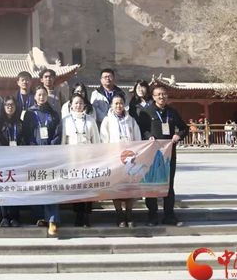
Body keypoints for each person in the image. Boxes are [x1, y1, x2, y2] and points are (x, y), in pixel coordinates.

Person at [143, 84, 189, 227]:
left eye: (164, 94)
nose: (161, 97)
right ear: (153, 96)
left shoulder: (172, 112)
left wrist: (178, 135)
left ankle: (169, 215)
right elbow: (142, 129)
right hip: (153, 153)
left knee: (169, 184)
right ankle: (152, 216)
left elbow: (185, 128)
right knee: (152, 184)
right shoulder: (147, 112)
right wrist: (149, 136)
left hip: (169, 154)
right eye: (158, 94)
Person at [56, 93, 99, 227]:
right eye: (76, 103)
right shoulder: (66, 120)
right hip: (72, 158)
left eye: (81, 103)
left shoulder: (90, 120)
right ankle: (78, 215)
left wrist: (96, 157)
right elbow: (63, 141)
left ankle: (86, 215)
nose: (78, 105)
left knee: (88, 187)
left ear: (84, 105)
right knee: (76, 187)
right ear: (71, 105)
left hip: (88, 159)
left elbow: (96, 141)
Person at [100, 93, 142, 228]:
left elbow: (137, 139)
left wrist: (137, 154)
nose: (119, 106)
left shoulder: (131, 120)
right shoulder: (107, 121)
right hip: (114, 159)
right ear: (111, 105)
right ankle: (119, 215)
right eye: (116, 103)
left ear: (125, 105)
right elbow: (104, 141)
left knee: (130, 188)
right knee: (117, 188)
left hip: (130, 159)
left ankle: (129, 214)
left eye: (121, 103)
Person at [26, 86, 61, 236]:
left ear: (47, 97)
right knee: (37, 186)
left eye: (44, 95)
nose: (41, 97)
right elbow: (27, 133)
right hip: (35, 155)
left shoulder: (53, 114)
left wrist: (50, 148)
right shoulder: (29, 114)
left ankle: (52, 219)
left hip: (51, 155)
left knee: (51, 186)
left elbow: (58, 133)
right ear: (34, 97)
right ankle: (39, 217)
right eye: (39, 95)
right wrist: (34, 148)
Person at [0, 96, 26, 227]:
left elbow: (23, 140)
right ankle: (4, 216)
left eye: (12, 105)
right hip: (2, 160)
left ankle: (15, 216)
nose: (10, 107)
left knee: (15, 188)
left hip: (16, 160)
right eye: (7, 105)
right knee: (3, 188)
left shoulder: (20, 123)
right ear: (3, 107)